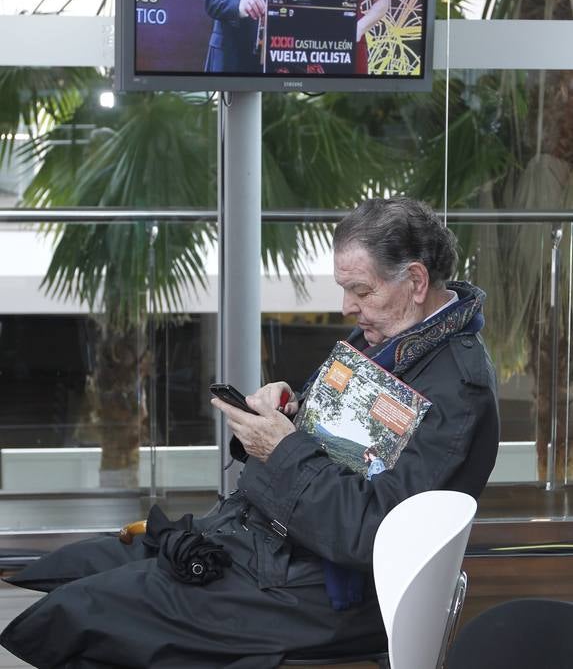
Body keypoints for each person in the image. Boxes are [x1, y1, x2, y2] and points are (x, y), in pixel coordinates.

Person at [0, 197, 499, 669]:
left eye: (361, 290)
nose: (347, 306)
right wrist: (288, 412)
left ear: (415, 280)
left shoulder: (457, 391)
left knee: (79, 614)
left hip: (324, 592)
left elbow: (371, 533)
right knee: (64, 569)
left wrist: (282, 447)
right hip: (266, 543)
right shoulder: (388, 338)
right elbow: (332, 447)